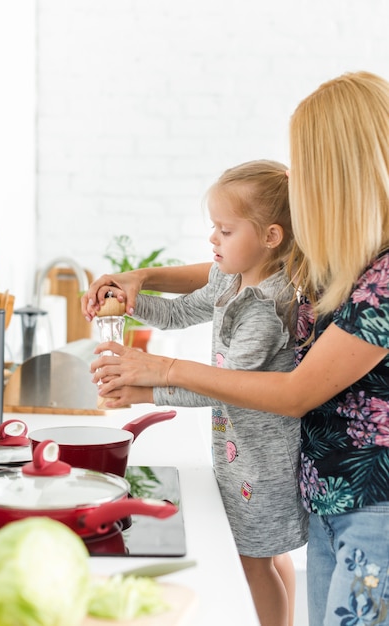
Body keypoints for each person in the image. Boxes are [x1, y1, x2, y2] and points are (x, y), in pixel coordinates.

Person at [83, 71, 389, 626]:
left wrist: (156, 373)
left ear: (342, 170)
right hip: (328, 492)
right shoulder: (339, 250)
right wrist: (141, 280)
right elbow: (224, 274)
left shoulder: (383, 276)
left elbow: (293, 393)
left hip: (372, 506)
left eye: (307, 166)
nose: (297, 180)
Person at [83, 159, 308, 626]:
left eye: (225, 231)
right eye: (214, 228)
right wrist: (129, 299)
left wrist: (146, 392)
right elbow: (178, 314)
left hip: (263, 462)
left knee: (253, 564)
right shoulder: (232, 279)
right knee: (267, 555)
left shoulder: (267, 308)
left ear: (270, 237)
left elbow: (223, 389)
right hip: (241, 451)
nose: (213, 240)